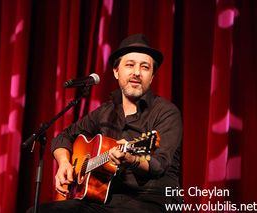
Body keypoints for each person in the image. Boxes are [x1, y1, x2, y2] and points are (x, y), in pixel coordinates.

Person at [30, 34, 182, 213]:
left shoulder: (166, 112)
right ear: (116, 71)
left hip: (151, 199)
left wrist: (132, 159)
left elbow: (159, 164)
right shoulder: (105, 111)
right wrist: (64, 163)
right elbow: (63, 136)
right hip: (104, 199)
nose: (136, 72)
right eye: (130, 65)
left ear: (152, 76)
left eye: (145, 67)